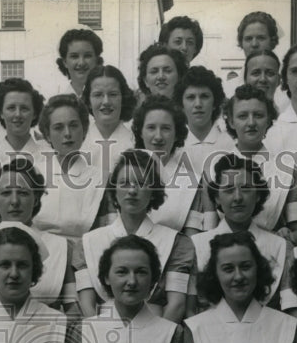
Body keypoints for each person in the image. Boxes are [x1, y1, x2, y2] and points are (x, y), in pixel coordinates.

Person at [76, 149, 194, 323]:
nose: (132, 190)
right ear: (114, 189)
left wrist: (155, 339)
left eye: (141, 183)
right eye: (124, 183)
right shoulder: (88, 243)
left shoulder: (177, 242)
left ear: (153, 191)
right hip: (104, 333)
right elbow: (86, 304)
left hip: (157, 333)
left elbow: (176, 305)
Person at [0, 157, 77, 315]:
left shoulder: (63, 249)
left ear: (36, 198)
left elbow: (74, 311)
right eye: (6, 193)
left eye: (23, 193)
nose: (14, 201)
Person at [189, 154, 297, 321]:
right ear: (216, 198)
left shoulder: (281, 246)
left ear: (258, 195)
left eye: (246, 189)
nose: (237, 197)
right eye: (228, 190)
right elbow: (190, 311)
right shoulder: (195, 245)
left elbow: (294, 311)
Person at [205, 86, 297, 245]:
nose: (251, 122)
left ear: (268, 120)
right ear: (231, 121)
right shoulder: (212, 169)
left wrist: (285, 236)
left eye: (258, 115)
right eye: (242, 116)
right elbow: (208, 231)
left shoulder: (287, 171)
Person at [32, 94, 103, 240]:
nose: (67, 134)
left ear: (83, 130)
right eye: (58, 127)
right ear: (47, 135)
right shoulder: (33, 174)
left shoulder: (99, 178)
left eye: (73, 125)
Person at [132, 96, 201, 236]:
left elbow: (192, 240)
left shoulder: (192, 182)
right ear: (140, 132)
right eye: (151, 128)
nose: (158, 136)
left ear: (176, 134)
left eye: (166, 128)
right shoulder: (123, 175)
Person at [80, 65, 137, 181]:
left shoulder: (135, 142)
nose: (106, 101)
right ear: (88, 101)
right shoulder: (78, 143)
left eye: (113, 94)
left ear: (123, 99)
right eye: (98, 95)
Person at [224, 11, 288, 110]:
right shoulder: (228, 89)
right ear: (241, 43)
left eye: (261, 38)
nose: (254, 44)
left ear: (272, 41)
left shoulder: (288, 90)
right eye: (248, 39)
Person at [178, 66, 228, 186]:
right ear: (181, 104)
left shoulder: (230, 143)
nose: (198, 104)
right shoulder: (174, 146)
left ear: (215, 103)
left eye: (204, 96)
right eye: (191, 97)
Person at [0, 77, 46, 165]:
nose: (18, 114)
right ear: (1, 113)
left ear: (34, 114)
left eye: (24, 108)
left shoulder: (48, 158)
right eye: (11, 108)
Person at [55, 28, 104, 99]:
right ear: (65, 62)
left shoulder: (107, 100)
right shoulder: (57, 104)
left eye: (87, 56)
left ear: (96, 59)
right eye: (74, 56)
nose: (81, 63)